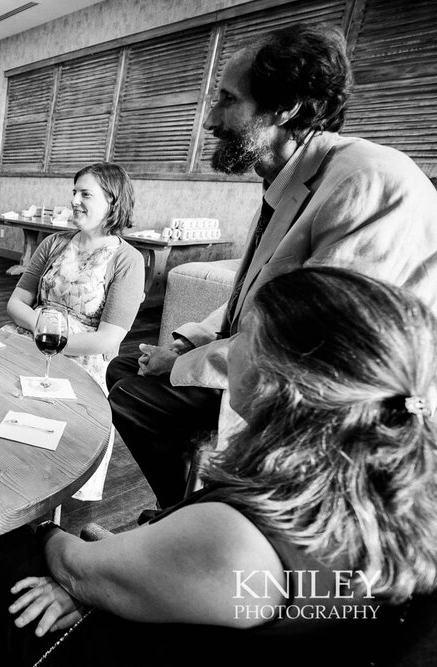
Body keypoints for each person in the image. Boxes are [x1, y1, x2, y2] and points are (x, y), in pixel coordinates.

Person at [0, 267, 437, 667]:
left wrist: (54, 546)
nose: (226, 348)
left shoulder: (239, 538)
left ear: (283, 379)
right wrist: (127, 572)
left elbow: (77, 571)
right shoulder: (395, 491)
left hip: (119, 648)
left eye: (245, 334)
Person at [105, 22, 437, 509]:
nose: (209, 120)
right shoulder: (289, 178)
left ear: (287, 109)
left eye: (226, 100)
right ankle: (184, 511)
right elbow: (254, 297)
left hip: (346, 404)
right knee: (124, 370)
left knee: (135, 396)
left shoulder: (367, 183)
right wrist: (185, 341)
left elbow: (312, 345)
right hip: (271, 365)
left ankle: (198, 518)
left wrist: (180, 364)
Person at [3, 162, 144, 391]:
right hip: (30, 337)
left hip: (80, 356)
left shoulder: (128, 260)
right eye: (74, 192)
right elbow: (15, 303)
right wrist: (41, 331)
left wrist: (55, 343)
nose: (74, 200)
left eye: (85, 194)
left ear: (113, 200)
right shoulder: (53, 243)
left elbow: (107, 339)